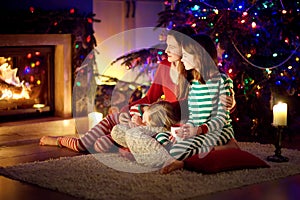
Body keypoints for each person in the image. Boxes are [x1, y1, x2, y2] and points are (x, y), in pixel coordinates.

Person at [39, 25, 196, 153]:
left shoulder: (194, 76)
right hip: (146, 117)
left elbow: (183, 113)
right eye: (167, 45)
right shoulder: (164, 66)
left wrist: (145, 120)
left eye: (171, 46)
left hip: (158, 126)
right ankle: (61, 141)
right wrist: (126, 109)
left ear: (184, 49)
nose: (166, 50)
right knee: (84, 144)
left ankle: (122, 143)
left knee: (101, 144)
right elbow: (149, 98)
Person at [158, 33, 239, 174]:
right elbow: (194, 117)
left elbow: (220, 120)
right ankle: (181, 155)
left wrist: (198, 131)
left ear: (200, 55)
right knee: (162, 137)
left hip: (219, 131)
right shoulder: (194, 84)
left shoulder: (222, 81)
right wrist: (186, 129)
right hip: (198, 130)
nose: (182, 59)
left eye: (186, 55)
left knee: (177, 149)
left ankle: (226, 148)